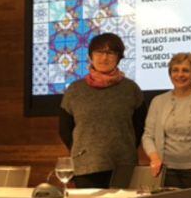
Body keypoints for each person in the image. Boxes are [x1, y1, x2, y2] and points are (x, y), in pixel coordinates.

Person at [59, 32, 146, 188]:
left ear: (118, 58)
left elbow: (139, 127)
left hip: (123, 165)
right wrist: (84, 148)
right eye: (99, 52)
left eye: (110, 53)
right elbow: (64, 129)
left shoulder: (131, 89)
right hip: (85, 166)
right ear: (91, 56)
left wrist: (123, 148)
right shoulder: (75, 90)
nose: (104, 58)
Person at [142, 53, 191, 188]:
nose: (180, 75)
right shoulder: (158, 102)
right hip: (165, 171)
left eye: (185, 70)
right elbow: (147, 136)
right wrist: (155, 158)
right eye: (175, 70)